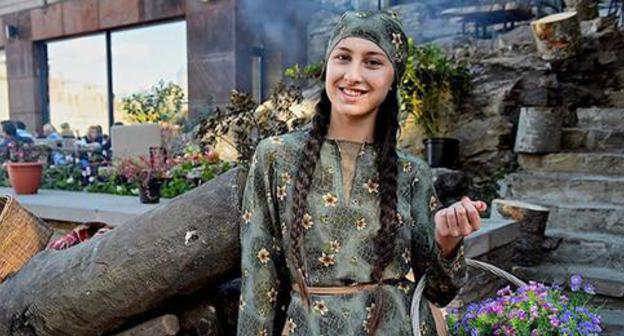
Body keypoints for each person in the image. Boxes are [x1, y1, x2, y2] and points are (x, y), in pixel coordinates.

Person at [237, 11, 487, 336]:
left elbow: (440, 291)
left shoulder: (412, 172)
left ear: (393, 78)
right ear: (328, 65)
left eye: (372, 62)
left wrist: (447, 240)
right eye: (343, 57)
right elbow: (258, 278)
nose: (353, 75)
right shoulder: (276, 156)